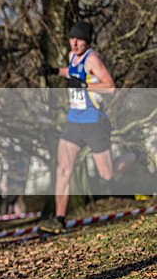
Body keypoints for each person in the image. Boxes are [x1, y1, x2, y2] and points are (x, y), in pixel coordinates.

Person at [39, 21, 147, 233]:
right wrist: (54, 71)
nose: (75, 42)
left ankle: (136, 154)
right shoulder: (72, 56)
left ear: (87, 41)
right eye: (72, 38)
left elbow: (110, 86)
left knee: (107, 173)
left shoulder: (93, 59)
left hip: (95, 123)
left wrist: (85, 85)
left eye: (79, 39)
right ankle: (59, 220)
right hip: (74, 122)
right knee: (63, 170)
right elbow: (71, 72)